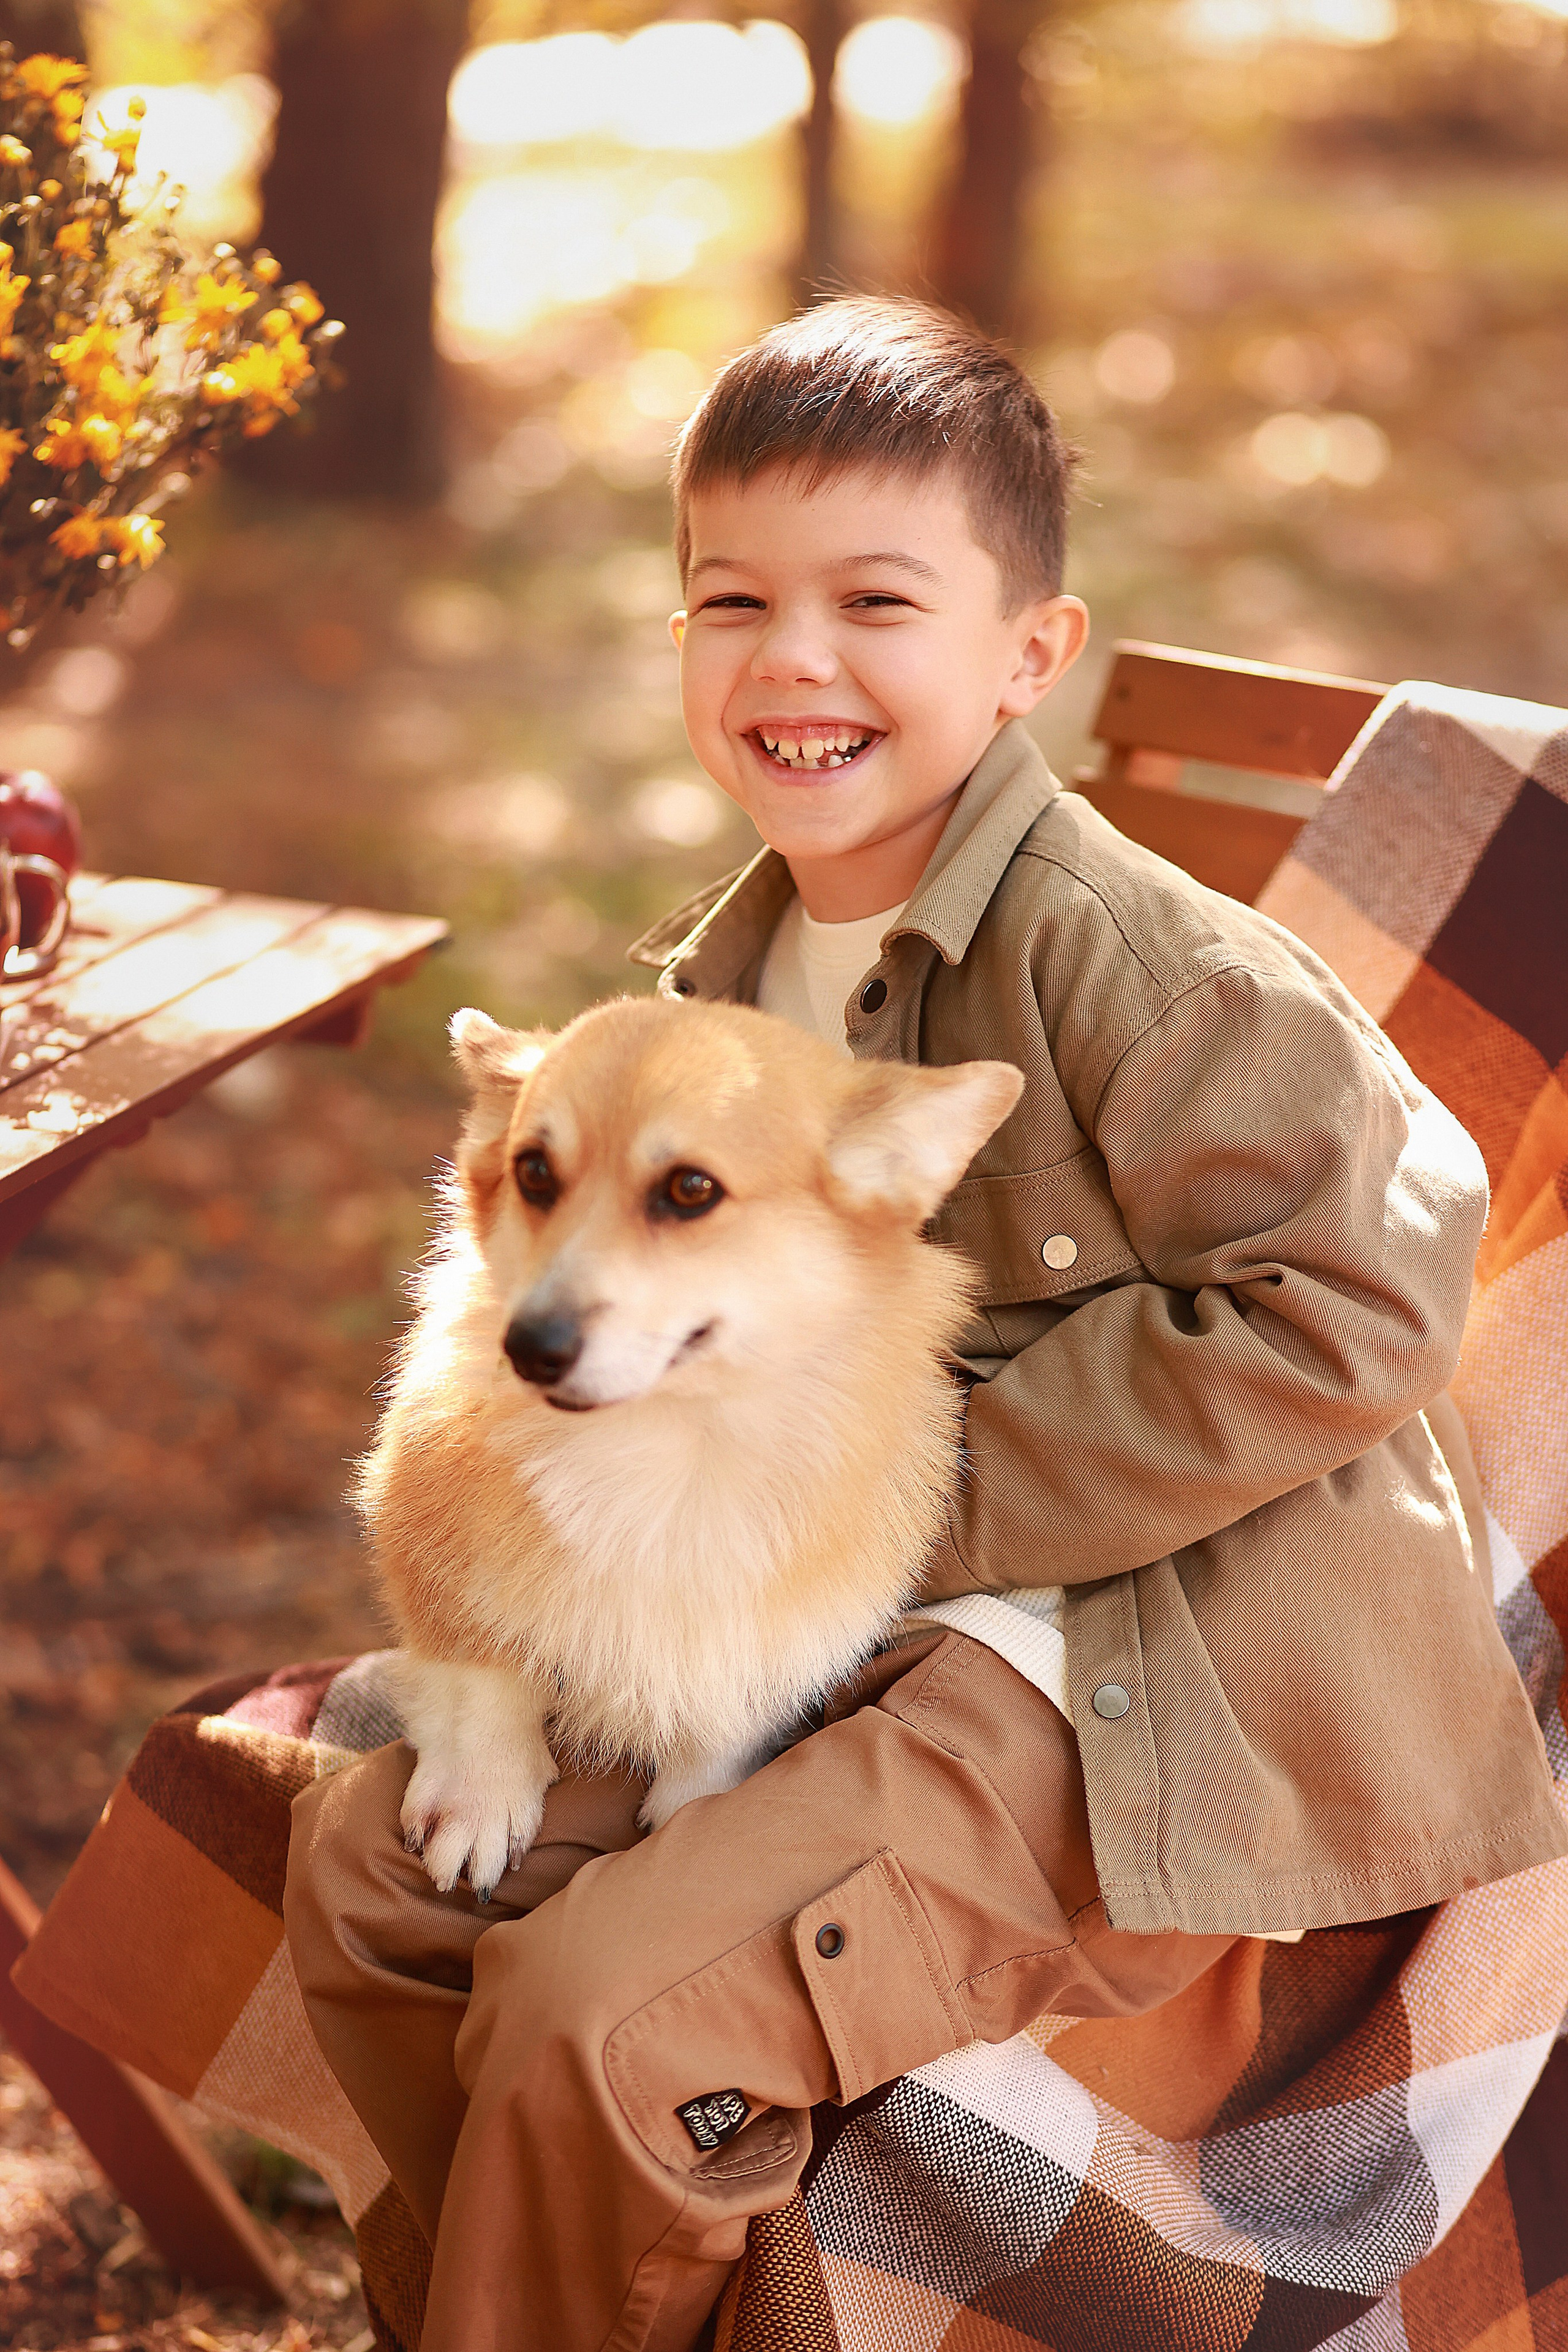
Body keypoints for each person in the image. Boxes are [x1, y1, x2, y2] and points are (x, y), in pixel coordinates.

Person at [284, 300, 1564, 2352]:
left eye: (876, 599)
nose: (795, 658)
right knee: (375, 1881)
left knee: (603, 2006)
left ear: (1026, 654)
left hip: (1133, 1665)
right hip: (833, 1630)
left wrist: (911, 1503)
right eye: (733, 602)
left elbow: (1363, 1291)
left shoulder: (1151, 971)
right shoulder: (738, 969)